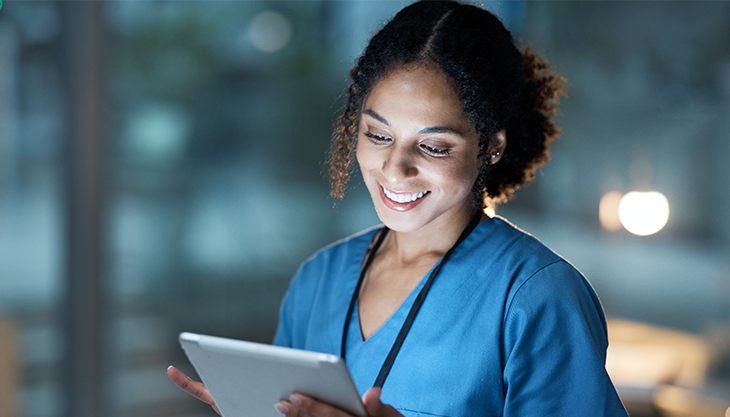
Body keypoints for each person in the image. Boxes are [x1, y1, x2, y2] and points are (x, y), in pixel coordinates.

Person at [168, 1, 629, 416]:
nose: (395, 168)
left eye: (431, 146)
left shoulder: (537, 299)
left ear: (489, 146)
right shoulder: (319, 281)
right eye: (378, 135)